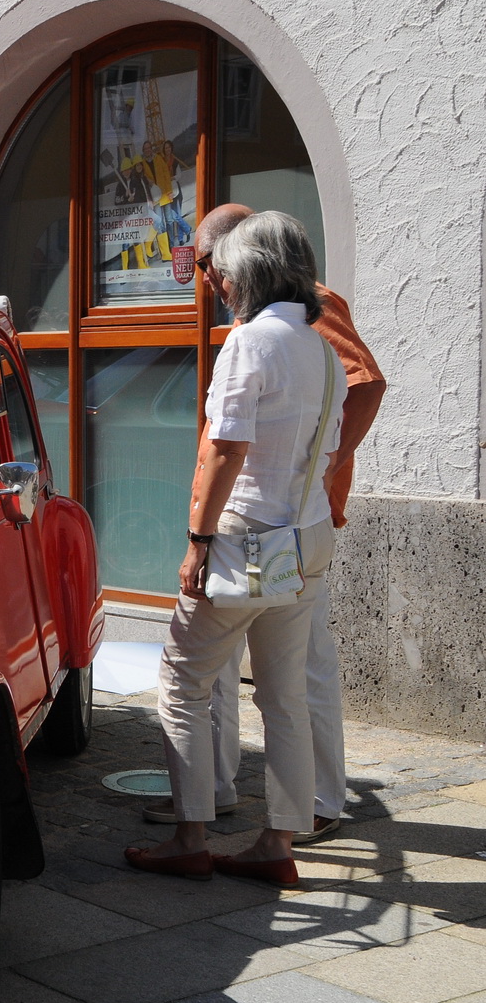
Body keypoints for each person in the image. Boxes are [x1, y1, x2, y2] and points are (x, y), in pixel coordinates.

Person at [142, 204, 386, 843]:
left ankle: (193, 837)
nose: (211, 282)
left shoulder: (251, 339)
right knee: (284, 702)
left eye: (213, 269)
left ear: (245, 268)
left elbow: (227, 446)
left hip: (246, 538)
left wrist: (197, 541)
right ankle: (276, 839)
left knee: (184, 681)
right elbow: (324, 438)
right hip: (300, 541)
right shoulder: (316, 345)